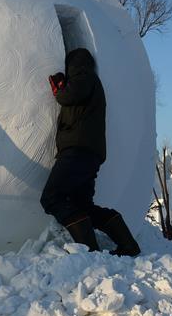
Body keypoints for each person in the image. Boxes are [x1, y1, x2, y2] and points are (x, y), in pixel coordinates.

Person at [40, 48, 141, 256]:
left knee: (51, 197)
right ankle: (128, 245)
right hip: (89, 153)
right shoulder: (90, 82)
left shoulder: (84, 76)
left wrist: (60, 90)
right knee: (83, 205)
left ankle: (91, 251)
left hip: (77, 151)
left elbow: (69, 96)